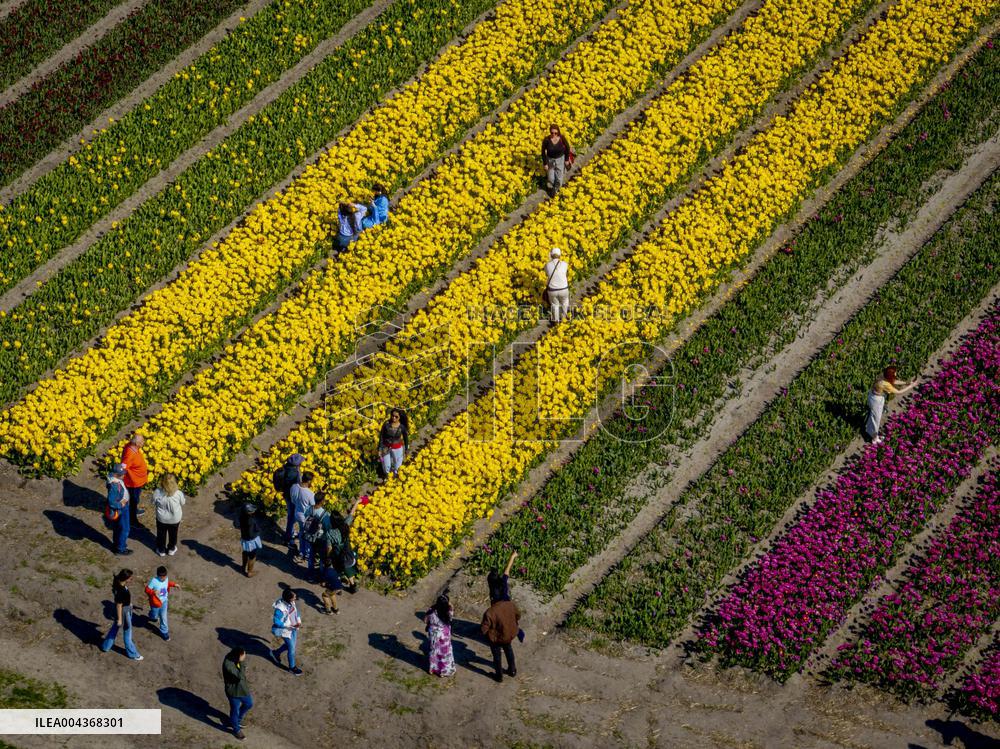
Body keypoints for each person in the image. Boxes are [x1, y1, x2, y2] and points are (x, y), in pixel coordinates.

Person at [866, 366, 917, 445]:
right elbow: (899, 392)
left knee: (873, 416)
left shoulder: (882, 376)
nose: (895, 375)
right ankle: (874, 439)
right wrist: (911, 386)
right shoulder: (885, 384)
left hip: (872, 396)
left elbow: (893, 381)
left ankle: (870, 431)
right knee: (876, 419)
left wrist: (906, 382)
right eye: (894, 374)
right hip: (876, 401)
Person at [100, 569, 142, 661]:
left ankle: (105, 646)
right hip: (124, 612)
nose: (131, 579)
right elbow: (119, 605)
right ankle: (133, 654)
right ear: (125, 578)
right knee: (128, 632)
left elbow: (120, 602)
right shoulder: (121, 590)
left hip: (123, 609)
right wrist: (119, 619)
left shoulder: (118, 583)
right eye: (130, 578)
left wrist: (130, 604)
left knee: (114, 629)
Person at [481, 587, 521, 683]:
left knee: (497, 656)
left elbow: (484, 629)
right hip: (509, 635)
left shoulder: (489, 612)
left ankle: (499, 676)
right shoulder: (510, 605)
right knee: (509, 650)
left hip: (497, 638)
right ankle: (512, 670)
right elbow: (518, 615)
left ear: (492, 599)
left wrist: (489, 636)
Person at [328, 498, 362, 592]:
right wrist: (357, 502)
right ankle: (353, 585)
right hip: (347, 551)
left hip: (338, 554)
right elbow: (351, 514)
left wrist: (328, 556)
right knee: (348, 566)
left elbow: (329, 546)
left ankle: (337, 587)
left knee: (337, 570)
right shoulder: (345, 524)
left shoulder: (330, 533)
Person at [273, 453, 303, 548]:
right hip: (292, 497)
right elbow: (297, 486)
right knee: (292, 517)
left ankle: (290, 533)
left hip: (286, 495)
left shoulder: (286, 467)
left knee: (291, 514)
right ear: (296, 464)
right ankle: (288, 538)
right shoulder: (293, 473)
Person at [269, 589, 303, 675]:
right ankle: (292, 667)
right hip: (286, 631)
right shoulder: (280, 608)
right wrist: (287, 625)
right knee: (292, 649)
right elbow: (276, 621)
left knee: (291, 645)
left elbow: (296, 612)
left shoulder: (291, 602)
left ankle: (275, 653)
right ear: (288, 599)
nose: (295, 598)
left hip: (294, 627)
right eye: (294, 597)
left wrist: (298, 620)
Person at [222, 647, 252, 741]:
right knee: (234, 710)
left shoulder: (235, 658)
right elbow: (240, 676)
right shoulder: (228, 664)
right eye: (243, 655)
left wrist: (241, 661)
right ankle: (236, 729)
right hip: (233, 692)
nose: (244, 656)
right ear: (237, 655)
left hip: (243, 689)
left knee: (249, 704)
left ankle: (238, 720)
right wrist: (242, 662)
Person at [152, 472, 185, 556]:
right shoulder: (178, 493)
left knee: (161, 534)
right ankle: (171, 548)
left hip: (161, 518)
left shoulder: (157, 492)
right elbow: (183, 503)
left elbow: (153, 502)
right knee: (173, 533)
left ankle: (161, 550)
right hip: (175, 519)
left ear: (162, 482)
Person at [144, 565, 180, 641]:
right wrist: (153, 591)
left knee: (164, 617)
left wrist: (174, 584)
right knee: (154, 616)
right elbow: (146, 590)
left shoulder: (166, 578)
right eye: (162, 577)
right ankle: (152, 615)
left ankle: (164, 632)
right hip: (155, 603)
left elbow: (167, 583)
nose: (164, 578)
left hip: (164, 601)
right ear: (158, 576)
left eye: (165, 576)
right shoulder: (154, 581)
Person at [302, 492, 333, 578]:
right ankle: (322, 573)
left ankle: (310, 571)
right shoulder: (324, 514)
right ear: (322, 501)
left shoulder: (309, 508)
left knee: (311, 554)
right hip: (320, 539)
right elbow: (327, 528)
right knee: (322, 557)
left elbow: (305, 516)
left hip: (310, 536)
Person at [121, 433, 148, 526]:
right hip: (133, 482)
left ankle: (134, 510)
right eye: (142, 441)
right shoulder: (130, 454)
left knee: (135, 499)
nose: (143, 442)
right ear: (137, 443)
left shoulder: (132, 447)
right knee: (133, 500)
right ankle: (133, 520)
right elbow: (123, 467)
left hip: (137, 480)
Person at [425, 594, 456, 677]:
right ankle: (443, 671)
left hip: (434, 634)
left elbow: (425, 620)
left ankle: (432, 669)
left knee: (434, 651)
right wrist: (448, 604)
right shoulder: (448, 610)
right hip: (444, 634)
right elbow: (451, 613)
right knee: (444, 653)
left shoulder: (431, 610)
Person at [289, 472, 316, 563]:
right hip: (306, 518)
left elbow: (292, 500)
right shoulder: (310, 493)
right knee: (307, 536)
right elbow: (314, 507)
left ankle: (301, 552)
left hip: (297, 513)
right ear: (308, 481)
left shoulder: (294, 487)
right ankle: (306, 554)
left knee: (301, 533)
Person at [106, 463, 131, 556]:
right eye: (122, 474)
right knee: (125, 528)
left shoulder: (115, 480)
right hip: (121, 509)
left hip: (121, 508)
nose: (124, 475)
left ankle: (117, 544)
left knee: (118, 527)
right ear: (116, 474)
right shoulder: (114, 485)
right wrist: (121, 504)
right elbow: (111, 502)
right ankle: (121, 548)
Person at [541, 124, 573, 196]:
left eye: (555, 133)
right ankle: (552, 186)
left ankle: (555, 189)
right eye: (552, 133)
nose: (554, 134)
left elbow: (567, 148)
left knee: (559, 177)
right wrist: (545, 163)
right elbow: (543, 152)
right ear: (550, 132)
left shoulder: (562, 138)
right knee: (551, 178)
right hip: (550, 160)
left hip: (560, 160)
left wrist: (567, 160)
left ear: (558, 132)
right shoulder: (547, 140)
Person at [378, 408, 409, 479]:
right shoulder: (386, 424)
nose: (393, 418)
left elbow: (406, 439)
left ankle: (395, 477)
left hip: (397, 448)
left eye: (396, 417)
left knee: (397, 465)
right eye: (392, 415)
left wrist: (406, 449)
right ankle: (387, 476)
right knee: (386, 465)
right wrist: (379, 449)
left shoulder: (402, 427)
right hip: (386, 447)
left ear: (400, 417)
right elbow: (381, 436)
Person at [543, 247, 569, 323]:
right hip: (564, 289)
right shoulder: (565, 264)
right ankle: (564, 317)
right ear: (560, 255)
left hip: (552, 290)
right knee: (565, 302)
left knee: (555, 305)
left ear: (551, 255)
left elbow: (546, 273)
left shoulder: (547, 265)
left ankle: (556, 321)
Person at [239, 502, 263, 578]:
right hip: (251, 541)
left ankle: (243, 567)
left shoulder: (241, 517)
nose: (253, 511)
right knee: (252, 556)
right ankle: (250, 572)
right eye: (251, 511)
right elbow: (251, 533)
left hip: (244, 539)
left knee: (245, 552)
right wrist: (258, 530)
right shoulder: (250, 521)